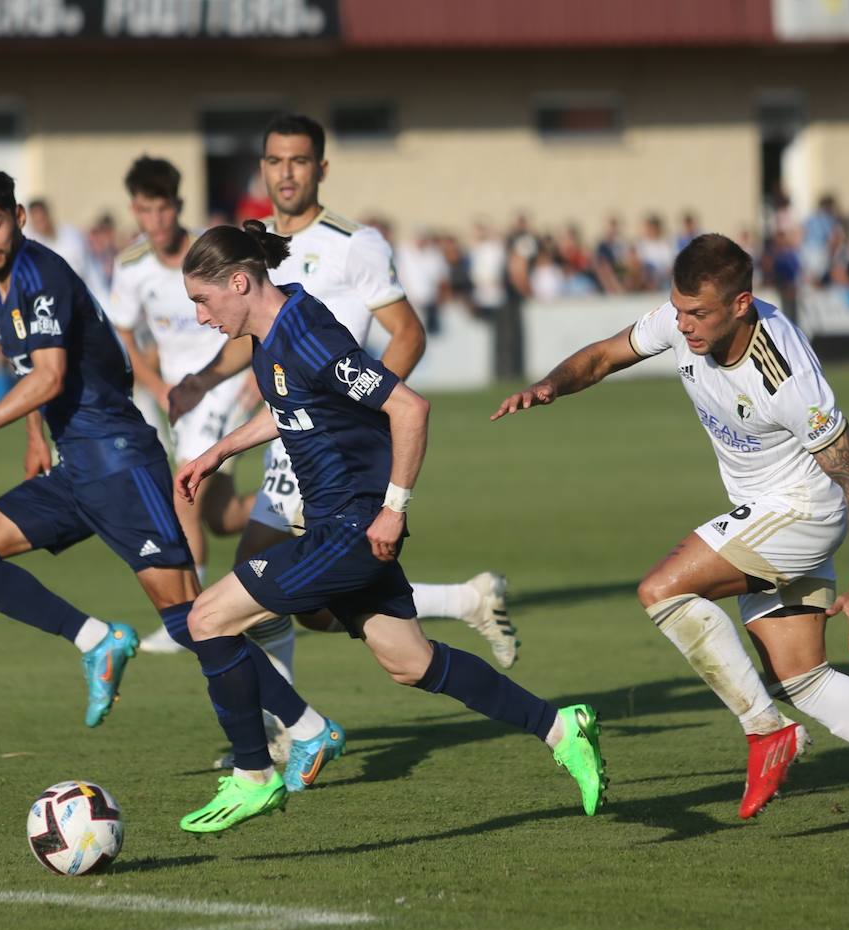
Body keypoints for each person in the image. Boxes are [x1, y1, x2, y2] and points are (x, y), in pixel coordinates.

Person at [493, 234, 849, 834]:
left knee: (663, 590)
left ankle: (766, 731)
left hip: (801, 511)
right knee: (801, 677)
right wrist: (549, 386)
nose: (684, 325)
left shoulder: (785, 377)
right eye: (678, 310)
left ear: (742, 304)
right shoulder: (682, 324)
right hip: (768, 509)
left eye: (698, 314)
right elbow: (602, 356)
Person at [172, 221, 605, 834]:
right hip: (333, 522)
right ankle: (563, 728)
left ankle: (253, 774)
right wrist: (216, 453)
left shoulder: (307, 335)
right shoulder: (274, 330)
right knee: (412, 663)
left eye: (202, 299)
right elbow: (294, 411)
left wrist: (394, 507)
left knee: (205, 620)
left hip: (349, 526)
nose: (200, 316)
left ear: (239, 282)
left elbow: (409, 407)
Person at [172, 115, 519, 768]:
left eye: (299, 160)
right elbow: (266, 361)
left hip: (343, 460)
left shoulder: (354, 243)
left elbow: (406, 337)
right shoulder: (256, 247)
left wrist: (364, 413)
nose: (285, 172)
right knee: (333, 621)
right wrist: (207, 410)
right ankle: (467, 605)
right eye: (274, 160)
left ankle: (281, 740)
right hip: (297, 441)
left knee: (232, 599)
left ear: (320, 168)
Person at [0, 160, 203, 729]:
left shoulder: (42, 275)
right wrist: (36, 434)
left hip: (119, 462)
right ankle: (97, 640)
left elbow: (52, 376)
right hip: (74, 468)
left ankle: (301, 727)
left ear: (17, 218)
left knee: (191, 622)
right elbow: (29, 367)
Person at [107, 155, 256, 655]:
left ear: (179, 206)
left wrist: (254, 373)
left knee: (183, 494)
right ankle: (296, 506)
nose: (155, 222)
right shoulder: (130, 267)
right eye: (145, 211)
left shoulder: (211, 250)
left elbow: (252, 311)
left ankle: (192, 618)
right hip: (177, 396)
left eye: (163, 209)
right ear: (134, 209)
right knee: (222, 515)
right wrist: (153, 384)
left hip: (224, 386)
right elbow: (124, 335)